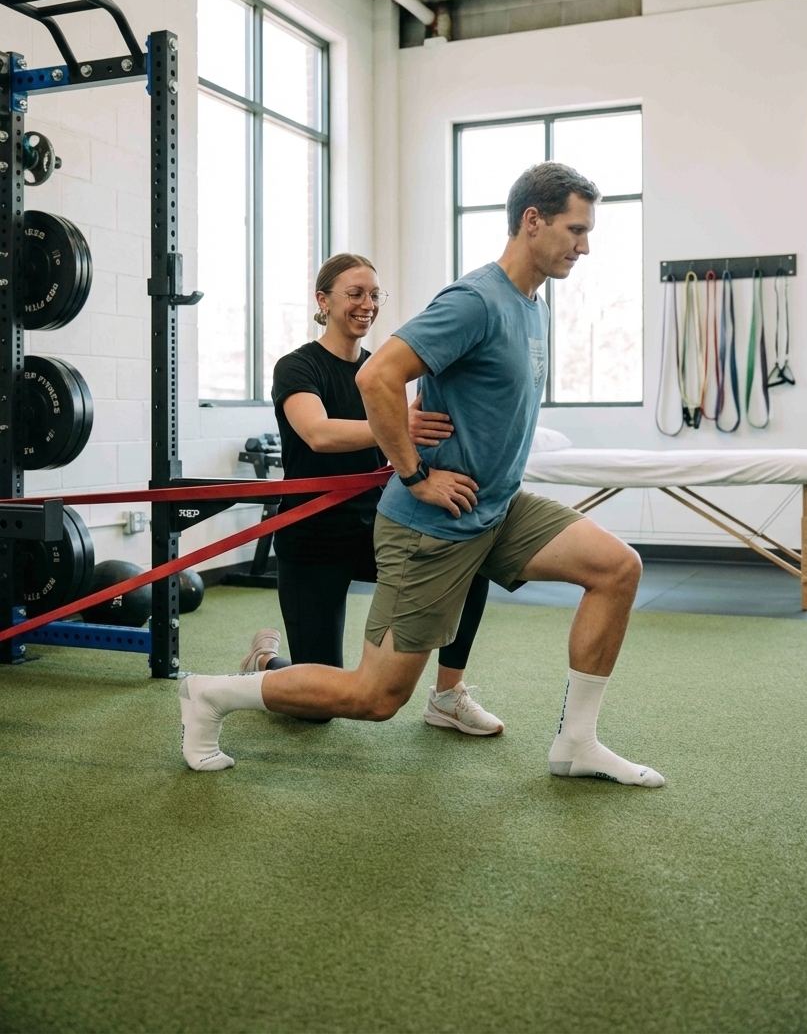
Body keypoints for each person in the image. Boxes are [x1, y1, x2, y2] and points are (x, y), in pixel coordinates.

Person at [179, 163, 664, 789]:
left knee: (617, 568)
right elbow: (377, 378)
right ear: (532, 220)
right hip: (431, 523)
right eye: (576, 229)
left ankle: (577, 743)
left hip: (495, 507)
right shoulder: (475, 301)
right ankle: (211, 694)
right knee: (374, 699)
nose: (585, 245)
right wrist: (414, 475)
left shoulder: (533, 306)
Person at [238, 252, 503, 736]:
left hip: (376, 527)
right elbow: (317, 433)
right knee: (318, 707)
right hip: (312, 537)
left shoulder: (382, 371)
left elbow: (407, 436)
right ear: (323, 300)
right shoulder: (296, 367)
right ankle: (266, 660)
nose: (367, 304)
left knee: (468, 558)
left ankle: (448, 695)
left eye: (375, 295)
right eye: (355, 294)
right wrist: (394, 424)